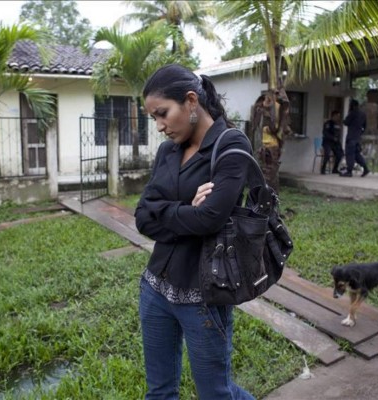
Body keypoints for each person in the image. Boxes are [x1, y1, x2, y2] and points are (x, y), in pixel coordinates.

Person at [134, 64, 255, 399]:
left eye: (162, 114)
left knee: (216, 392)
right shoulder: (167, 151)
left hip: (204, 297)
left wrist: (166, 211)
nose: (159, 126)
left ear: (190, 101)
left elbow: (210, 220)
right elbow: (142, 217)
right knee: (159, 391)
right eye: (153, 118)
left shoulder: (231, 146)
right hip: (154, 289)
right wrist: (188, 205)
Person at [341, 99, 369, 177]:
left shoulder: (352, 113)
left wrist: (343, 119)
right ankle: (366, 168)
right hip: (358, 138)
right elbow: (364, 126)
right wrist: (360, 133)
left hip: (351, 137)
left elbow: (346, 122)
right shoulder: (363, 114)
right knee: (357, 155)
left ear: (352, 106)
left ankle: (349, 171)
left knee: (350, 154)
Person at [320, 110, 344, 174]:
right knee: (327, 154)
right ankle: (323, 168)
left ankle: (335, 169)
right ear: (333, 116)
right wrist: (333, 138)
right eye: (337, 116)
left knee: (340, 154)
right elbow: (325, 133)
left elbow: (338, 134)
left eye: (339, 116)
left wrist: (338, 141)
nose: (338, 118)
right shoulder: (328, 123)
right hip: (327, 142)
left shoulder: (338, 124)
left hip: (335, 143)